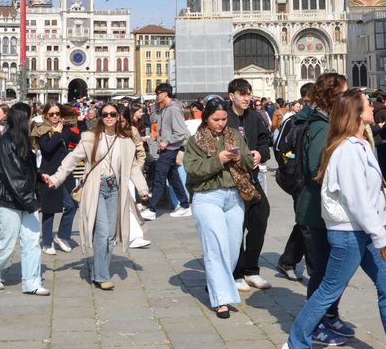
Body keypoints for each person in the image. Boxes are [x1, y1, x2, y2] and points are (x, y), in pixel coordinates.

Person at [278, 89, 386, 349]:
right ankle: (295, 347)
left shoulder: (358, 143)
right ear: (356, 112)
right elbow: (356, 200)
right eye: (366, 105)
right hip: (351, 234)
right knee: (329, 290)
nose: (373, 108)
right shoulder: (347, 149)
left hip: (363, 231)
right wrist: (380, 236)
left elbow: (373, 186)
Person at [43, 101, 151, 289]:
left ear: (118, 118)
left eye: (113, 114)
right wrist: (56, 178)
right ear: (100, 117)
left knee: (109, 234)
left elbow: (132, 166)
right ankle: (101, 275)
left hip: (115, 189)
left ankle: (99, 269)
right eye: (105, 114)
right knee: (102, 232)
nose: (109, 117)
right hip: (96, 188)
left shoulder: (125, 141)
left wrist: (142, 189)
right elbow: (72, 159)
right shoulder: (90, 137)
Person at [293, 73, 356, 346]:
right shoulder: (320, 126)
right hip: (317, 209)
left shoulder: (326, 122)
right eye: (343, 93)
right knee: (322, 268)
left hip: (324, 207)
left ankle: (329, 314)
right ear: (333, 96)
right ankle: (316, 324)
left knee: (332, 267)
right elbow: (316, 167)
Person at [184, 97, 255, 317]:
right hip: (208, 197)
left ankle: (216, 284)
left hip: (234, 196)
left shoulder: (234, 135)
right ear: (206, 118)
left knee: (233, 248)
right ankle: (221, 300)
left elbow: (246, 160)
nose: (221, 123)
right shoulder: (195, 140)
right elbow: (193, 169)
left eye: (224, 119)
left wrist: (246, 157)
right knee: (215, 248)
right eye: (216, 119)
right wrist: (219, 159)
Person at [0, 102, 49, 295]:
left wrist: (38, 177)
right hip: (8, 200)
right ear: (22, 120)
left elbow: (25, 171)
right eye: (28, 118)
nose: (31, 122)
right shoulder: (6, 144)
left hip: (24, 198)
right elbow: (13, 178)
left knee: (31, 241)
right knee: (8, 241)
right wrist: (32, 203)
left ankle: (31, 282)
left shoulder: (22, 142)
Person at [225, 79, 273, 290]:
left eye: (248, 94)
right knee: (236, 226)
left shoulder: (255, 117)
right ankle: (236, 272)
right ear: (231, 96)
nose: (246, 98)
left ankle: (252, 269)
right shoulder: (223, 117)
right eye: (242, 94)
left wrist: (260, 153)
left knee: (261, 216)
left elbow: (265, 142)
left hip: (252, 179)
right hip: (230, 181)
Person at [276, 82, 315, 281]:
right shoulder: (293, 121)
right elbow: (278, 148)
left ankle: (287, 261)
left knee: (305, 222)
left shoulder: (319, 119)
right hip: (299, 180)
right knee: (307, 224)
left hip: (311, 180)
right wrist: (291, 169)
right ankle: (314, 271)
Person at [33, 103, 80, 254]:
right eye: (52, 114)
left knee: (72, 205)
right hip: (49, 174)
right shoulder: (41, 130)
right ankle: (47, 242)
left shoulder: (64, 129)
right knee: (49, 210)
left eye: (57, 113)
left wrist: (79, 123)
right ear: (46, 115)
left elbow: (79, 138)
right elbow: (47, 148)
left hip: (65, 173)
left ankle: (62, 235)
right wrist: (58, 133)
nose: (55, 116)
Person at [149, 83, 191, 215]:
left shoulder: (173, 109)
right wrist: (156, 106)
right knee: (173, 178)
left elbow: (181, 132)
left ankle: (151, 208)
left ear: (165, 94)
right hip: (166, 148)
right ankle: (184, 205)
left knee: (159, 177)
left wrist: (166, 141)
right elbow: (153, 119)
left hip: (170, 148)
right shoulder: (165, 109)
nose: (156, 96)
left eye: (158, 93)